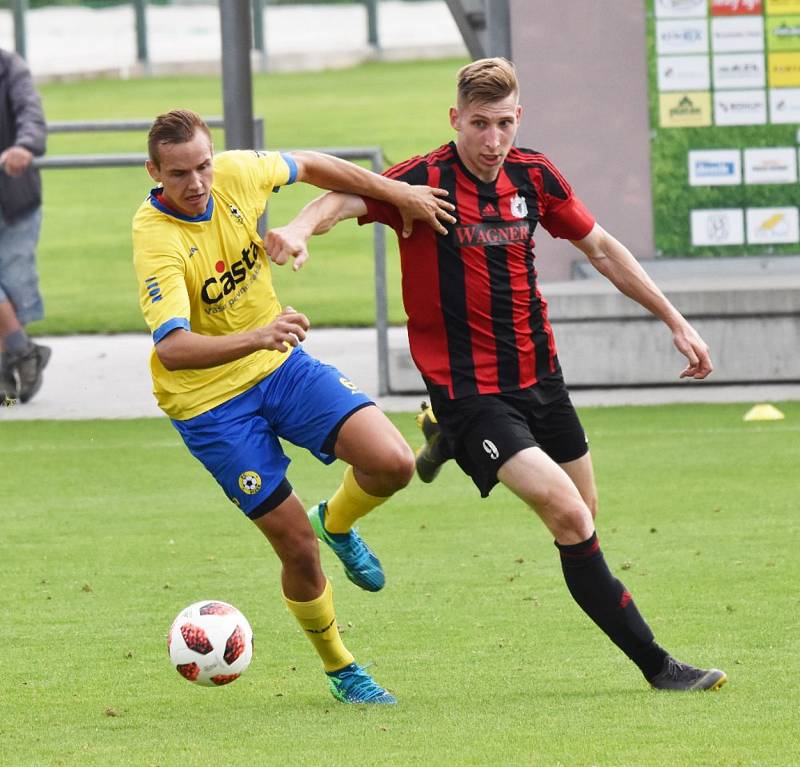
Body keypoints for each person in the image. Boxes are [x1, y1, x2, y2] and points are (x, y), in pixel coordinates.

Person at [265, 58, 727, 693]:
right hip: (470, 393)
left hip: (542, 379)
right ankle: (661, 668)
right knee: (569, 515)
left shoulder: (534, 175)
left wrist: (675, 319)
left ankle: (448, 442)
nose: (491, 140)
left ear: (519, 119)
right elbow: (343, 198)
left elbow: (602, 248)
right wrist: (297, 226)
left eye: (503, 124)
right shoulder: (424, 180)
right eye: (478, 124)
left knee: (585, 519)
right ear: (455, 118)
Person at [132, 109, 452, 704]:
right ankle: (342, 669)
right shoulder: (156, 240)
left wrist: (399, 193)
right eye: (179, 173)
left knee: (393, 462)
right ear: (154, 171)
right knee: (294, 549)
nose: (197, 182)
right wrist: (257, 335)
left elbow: (316, 165)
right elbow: (174, 350)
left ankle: (336, 520)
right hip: (210, 406)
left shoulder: (235, 172)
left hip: (279, 365)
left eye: (203, 165)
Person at [0, 48, 50, 405]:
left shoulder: (9, 67)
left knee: (14, 289)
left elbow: (31, 114)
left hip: (14, 199)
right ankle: (23, 352)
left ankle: (8, 369)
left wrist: (24, 146)